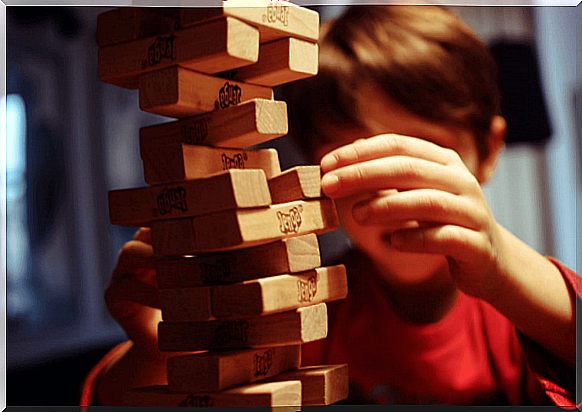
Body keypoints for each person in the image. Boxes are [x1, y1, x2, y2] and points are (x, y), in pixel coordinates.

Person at [82, 5, 580, 406]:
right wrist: (160, 353)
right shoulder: (302, 310)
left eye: (418, 157)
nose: (391, 196)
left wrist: (501, 266)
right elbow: (111, 394)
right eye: (356, 163)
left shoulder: (521, 311)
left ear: (488, 151)